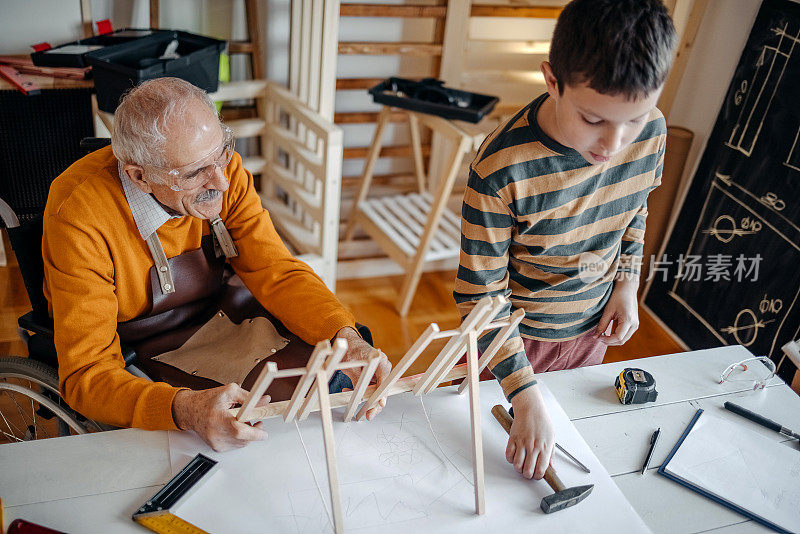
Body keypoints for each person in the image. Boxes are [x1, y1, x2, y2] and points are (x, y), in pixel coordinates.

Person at [42, 77, 391, 451]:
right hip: (140, 340)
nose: (222, 182)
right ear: (139, 176)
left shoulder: (227, 171)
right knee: (256, 430)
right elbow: (87, 375)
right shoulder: (79, 214)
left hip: (222, 309)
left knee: (336, 366)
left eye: (222, 152)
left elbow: (277, 271)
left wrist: (346, 336)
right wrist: (185, 409)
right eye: (194, 173)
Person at [454, 0, 676, 480]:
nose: (614, 144)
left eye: (634, 119)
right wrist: (522, 390)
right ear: (552, 80)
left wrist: (625, 286)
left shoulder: (652, 131)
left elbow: (633, 207)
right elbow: (479, 295)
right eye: (594, 120)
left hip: (592, 330)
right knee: (481, 467)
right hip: (512, 344)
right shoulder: (500, 168)